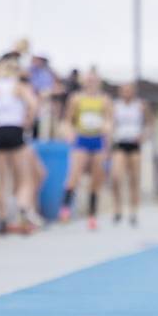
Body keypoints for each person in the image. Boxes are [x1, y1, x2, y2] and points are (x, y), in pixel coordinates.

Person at [0, 56, 39, 233]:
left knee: (0, 179)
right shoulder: (18, 87)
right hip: (15, 130)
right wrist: (28, 119)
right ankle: (22, 206)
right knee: (25, 178)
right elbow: (33, 104)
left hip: (0, 131)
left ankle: (2, 216)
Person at [59, 70, 112, 230]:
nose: (91, 83)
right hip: (81, 139)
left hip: (97, 140)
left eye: (94, 80)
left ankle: (92, 215)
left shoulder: (104, 99)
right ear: (84, 81)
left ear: (98, 82)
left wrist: (107, 137)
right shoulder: (77, 98)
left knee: (96, 179)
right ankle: (65, 208)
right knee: (74, 175)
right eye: (88, 80)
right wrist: (69, 133)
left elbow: (109, 121)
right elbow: (68, 120)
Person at [110, 83, 154, 226]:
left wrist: (145, 136)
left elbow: (150, 123)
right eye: (124, 90)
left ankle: (133, 210)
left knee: (134, 178)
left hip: (134, 145)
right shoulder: (115, 106)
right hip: (120, 143)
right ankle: (117, 208)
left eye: (129, 91)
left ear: (133, 92)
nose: (126, 93)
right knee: (116, 176)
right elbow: (110, 123)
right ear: (120, 92)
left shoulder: (141, 105)